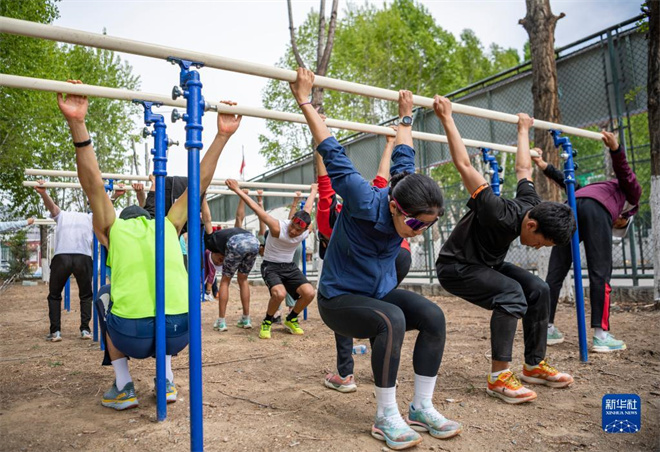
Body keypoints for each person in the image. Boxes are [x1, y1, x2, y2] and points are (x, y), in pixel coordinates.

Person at [292, 68, 461, 450]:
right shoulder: (362, 198)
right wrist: (305, 99)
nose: (419, 231)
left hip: (376, 293)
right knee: (393, 318)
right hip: (339, 301)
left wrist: (405, 115)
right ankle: (386, 416)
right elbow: (330, 148)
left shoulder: (407, 188)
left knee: (433, 316)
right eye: (416, 222)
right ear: (396, 207)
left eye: (428, 226)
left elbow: (404, 150)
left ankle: (421, 407)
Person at [56, 80, 242, 410]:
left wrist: (77, 124)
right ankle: (166, 379)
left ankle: (125, 385)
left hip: (133, 336)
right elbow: (198, 183)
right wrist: (222, 136)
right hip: (181, 331)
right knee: (166, 301)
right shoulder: (168, 226)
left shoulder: (113, 230)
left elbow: (95, 187)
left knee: (103, 296)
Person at [433, 95, 576, 405]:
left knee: (538, 289)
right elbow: (464, 164)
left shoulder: (533, 205)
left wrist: (523, 129)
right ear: (532, 227)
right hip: (456, 267)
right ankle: (499, 378)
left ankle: (534, 365)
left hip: (487, 265)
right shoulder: (497, 211)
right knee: (512, 293)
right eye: (542, 242)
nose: (538, 248)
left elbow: (524, 169)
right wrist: (447, 118)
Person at [320, 127, 413, 394]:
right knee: (380, 308)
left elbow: (327, 176)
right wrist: (392, 141)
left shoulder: (339, 216)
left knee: (352, 305)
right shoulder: (381, 198)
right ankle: (384, 374)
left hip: (372, 267)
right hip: (398, 258)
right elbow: (391, 176)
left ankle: (346, 373)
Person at [531, 135, 642, 352]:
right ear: (625, 217)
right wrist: (616, 149)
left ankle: (547, 328)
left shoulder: (593, 189)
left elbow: (567, 182)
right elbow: (625, 173)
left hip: (572, 206)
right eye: (616, 225)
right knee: (600, 273)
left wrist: (544, 166)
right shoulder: (632, 197)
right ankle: (601, 336)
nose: (614, 224)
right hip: (593, 211)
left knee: (555, 273)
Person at [226, 179, 317, 340]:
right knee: (279, 294)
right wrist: (237, 190)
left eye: (298, 230)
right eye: (293, 227)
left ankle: (291, 319)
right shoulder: (277, 227)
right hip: (271, 266)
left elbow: (308, 208)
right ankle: (267, 322)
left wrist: (314, 191)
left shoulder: (305, 230)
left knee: (309, 293)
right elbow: (255, 208)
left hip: (289, 266)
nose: (294, 232)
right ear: (290, 221)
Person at [34, 180, 94, 342]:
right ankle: (85, 330)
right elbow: (104, 208)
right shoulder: (90, 217)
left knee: (54, 295)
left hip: (62, 257)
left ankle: (56, 332)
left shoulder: (61, 215)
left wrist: (43, 192)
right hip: (83, 257)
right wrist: (114, 197)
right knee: (86, 295)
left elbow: (52, 207)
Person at [204, 191, 260, 331]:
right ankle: (246, 319)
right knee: (243, 279)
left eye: (217, 261)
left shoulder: (211, 242)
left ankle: (221, 321)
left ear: (213, 254)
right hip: (253, 242)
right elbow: (239, 217)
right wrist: (242, 197)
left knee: (225, 281)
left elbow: (207, 219)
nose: (221, 261)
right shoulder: (235, 231)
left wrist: (203, 197)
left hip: (239, 243)